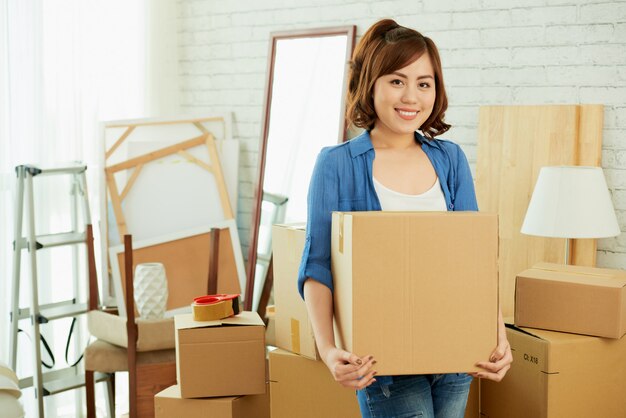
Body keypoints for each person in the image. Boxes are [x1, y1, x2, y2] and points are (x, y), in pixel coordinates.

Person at [296, 18, 513, 418]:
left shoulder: (450, 159)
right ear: (371, 85)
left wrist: (497, 338)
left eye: (423, 83)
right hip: (382, 362)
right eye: (397, 81)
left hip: (455, 354)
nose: (411, 96)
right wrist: (329, 351)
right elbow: (318, 266)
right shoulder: (337, 164)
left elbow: (476, 261)